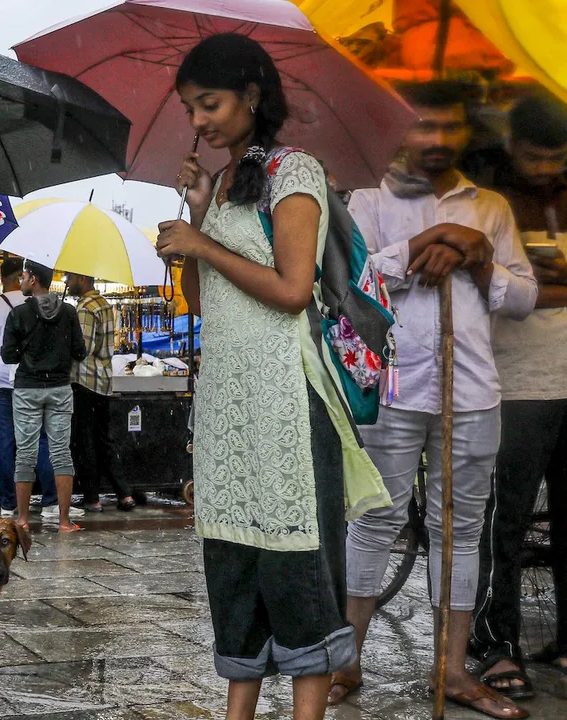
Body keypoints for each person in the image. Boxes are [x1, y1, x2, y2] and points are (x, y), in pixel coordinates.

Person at [155, 33, 390, 720]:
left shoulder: (297, 172)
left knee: (296, 566)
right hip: (229, 399)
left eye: (210, 104)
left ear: (252, 96)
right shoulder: (224, 183)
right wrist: (198, 213)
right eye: (190, 109)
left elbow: (292, 290)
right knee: (234, 557)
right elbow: (202, 303)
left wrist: (203, 242)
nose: (198, 121)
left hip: (288, 397)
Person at [336, 81, 536, 719]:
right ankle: (347, 660)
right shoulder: (365, 200)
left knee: (461, 530)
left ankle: (450, 670)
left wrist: (478, 259)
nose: (437, 140)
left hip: (473, 390)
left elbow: (525, 299)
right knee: (373, 521)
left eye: (449, 128)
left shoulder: (493, 207)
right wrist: (434, 238)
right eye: (423, 126)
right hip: (391, 387)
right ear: (397, 128)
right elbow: (354, 288)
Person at [471, 94, 567, 699]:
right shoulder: (492, 200)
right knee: (501, 521)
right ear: (512, 148)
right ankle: (496, 640)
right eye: (535, 156)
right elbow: (508, 292)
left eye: (558, 157)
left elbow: (528, 286)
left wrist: (538, 283)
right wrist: (538, 286)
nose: (546, 168)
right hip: (514, 382)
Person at [0, 255, 65, 519]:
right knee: (42, 439)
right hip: (33, 379)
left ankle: (9, 504)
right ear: (20, 277)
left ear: (4, 279)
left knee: (5, 440)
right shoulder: (40, 304)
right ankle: (49, 503)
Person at [1, 261, 86, 533]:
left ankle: (23, 520)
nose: (21, 281)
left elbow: (7, 355)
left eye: (24, 276)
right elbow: (80, 351)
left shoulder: (18, 313)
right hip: (60, 388)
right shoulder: (69, 312)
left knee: (25, 453)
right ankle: (63, 521)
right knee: (61, 453)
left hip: (27, 389)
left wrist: (28, 351)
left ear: (34, 279)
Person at [65, 272, 136, 513]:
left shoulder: (85, 308)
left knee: (85, 441)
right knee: (104, 439)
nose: (66, 282)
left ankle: (92, 497)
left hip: (85, 381)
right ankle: (124, 494)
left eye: (69, 278)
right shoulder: (104, 304)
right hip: (104, 381)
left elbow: (82, 348)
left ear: (82, 280)